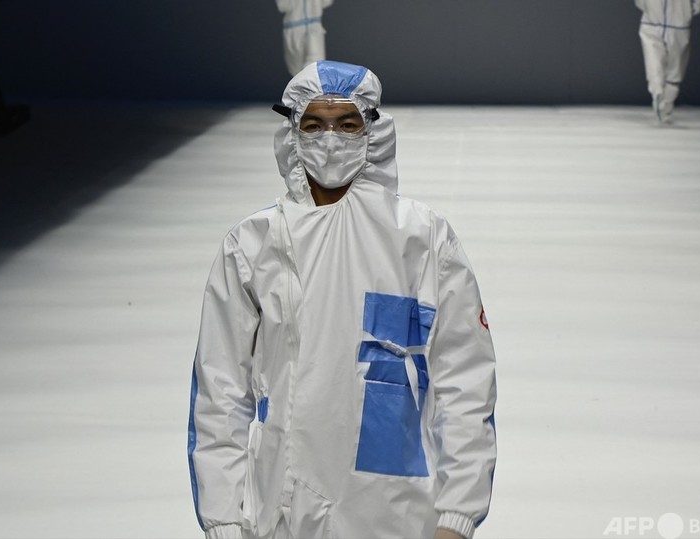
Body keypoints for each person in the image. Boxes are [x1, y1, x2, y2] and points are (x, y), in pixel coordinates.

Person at [188, 60, 497, 539]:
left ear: (374, 128)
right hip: (283, 508)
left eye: (347, 124)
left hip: (399, 509)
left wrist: (457, 513)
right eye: (314, 124)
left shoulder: (423, 237)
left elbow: (464, 380)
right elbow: (221, 388)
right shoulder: (253, 244)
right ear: (291, 132)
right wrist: (224, 517)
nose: (330, 139)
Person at [635, 0, 700, 123]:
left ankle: (658, 92)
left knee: (653, 59)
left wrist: (646, 6)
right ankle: (666, 101)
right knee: (675, 67)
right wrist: (692, 9)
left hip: (653, 19)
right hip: (677, 22)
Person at [275, 0, 332, 77]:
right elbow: (283, 6)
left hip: (313, 29)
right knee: (296, 71)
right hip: (294, 30)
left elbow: (326, 2)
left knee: (315, 67)